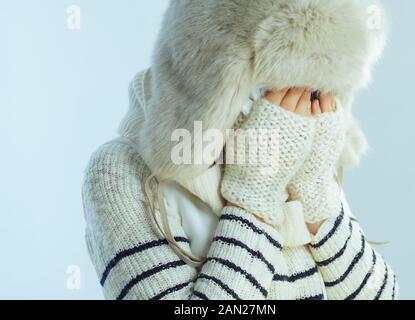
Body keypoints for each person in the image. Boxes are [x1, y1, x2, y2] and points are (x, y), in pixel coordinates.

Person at [82, 0, 398, 300]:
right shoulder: (120, 170)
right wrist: (255, 191)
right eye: (283, 82)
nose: (301, 106)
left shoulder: (299, 141)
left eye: (317, 88)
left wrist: (316, 193)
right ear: (213, 74)